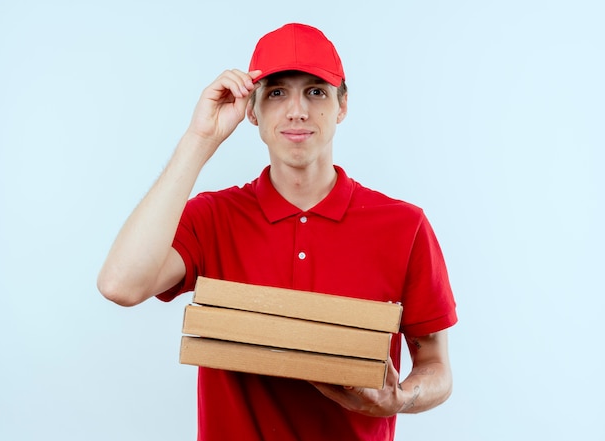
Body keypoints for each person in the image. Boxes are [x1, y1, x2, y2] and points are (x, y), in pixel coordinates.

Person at [98, 22, 458, 441]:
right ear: (252, 110)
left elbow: (436, 366)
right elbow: (120, 284)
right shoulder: (214, 217)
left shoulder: (404, 225)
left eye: (316, 91)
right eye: (276, 92)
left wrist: (400, 398)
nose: (297, 111)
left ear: (342, 105)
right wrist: (200, 139)